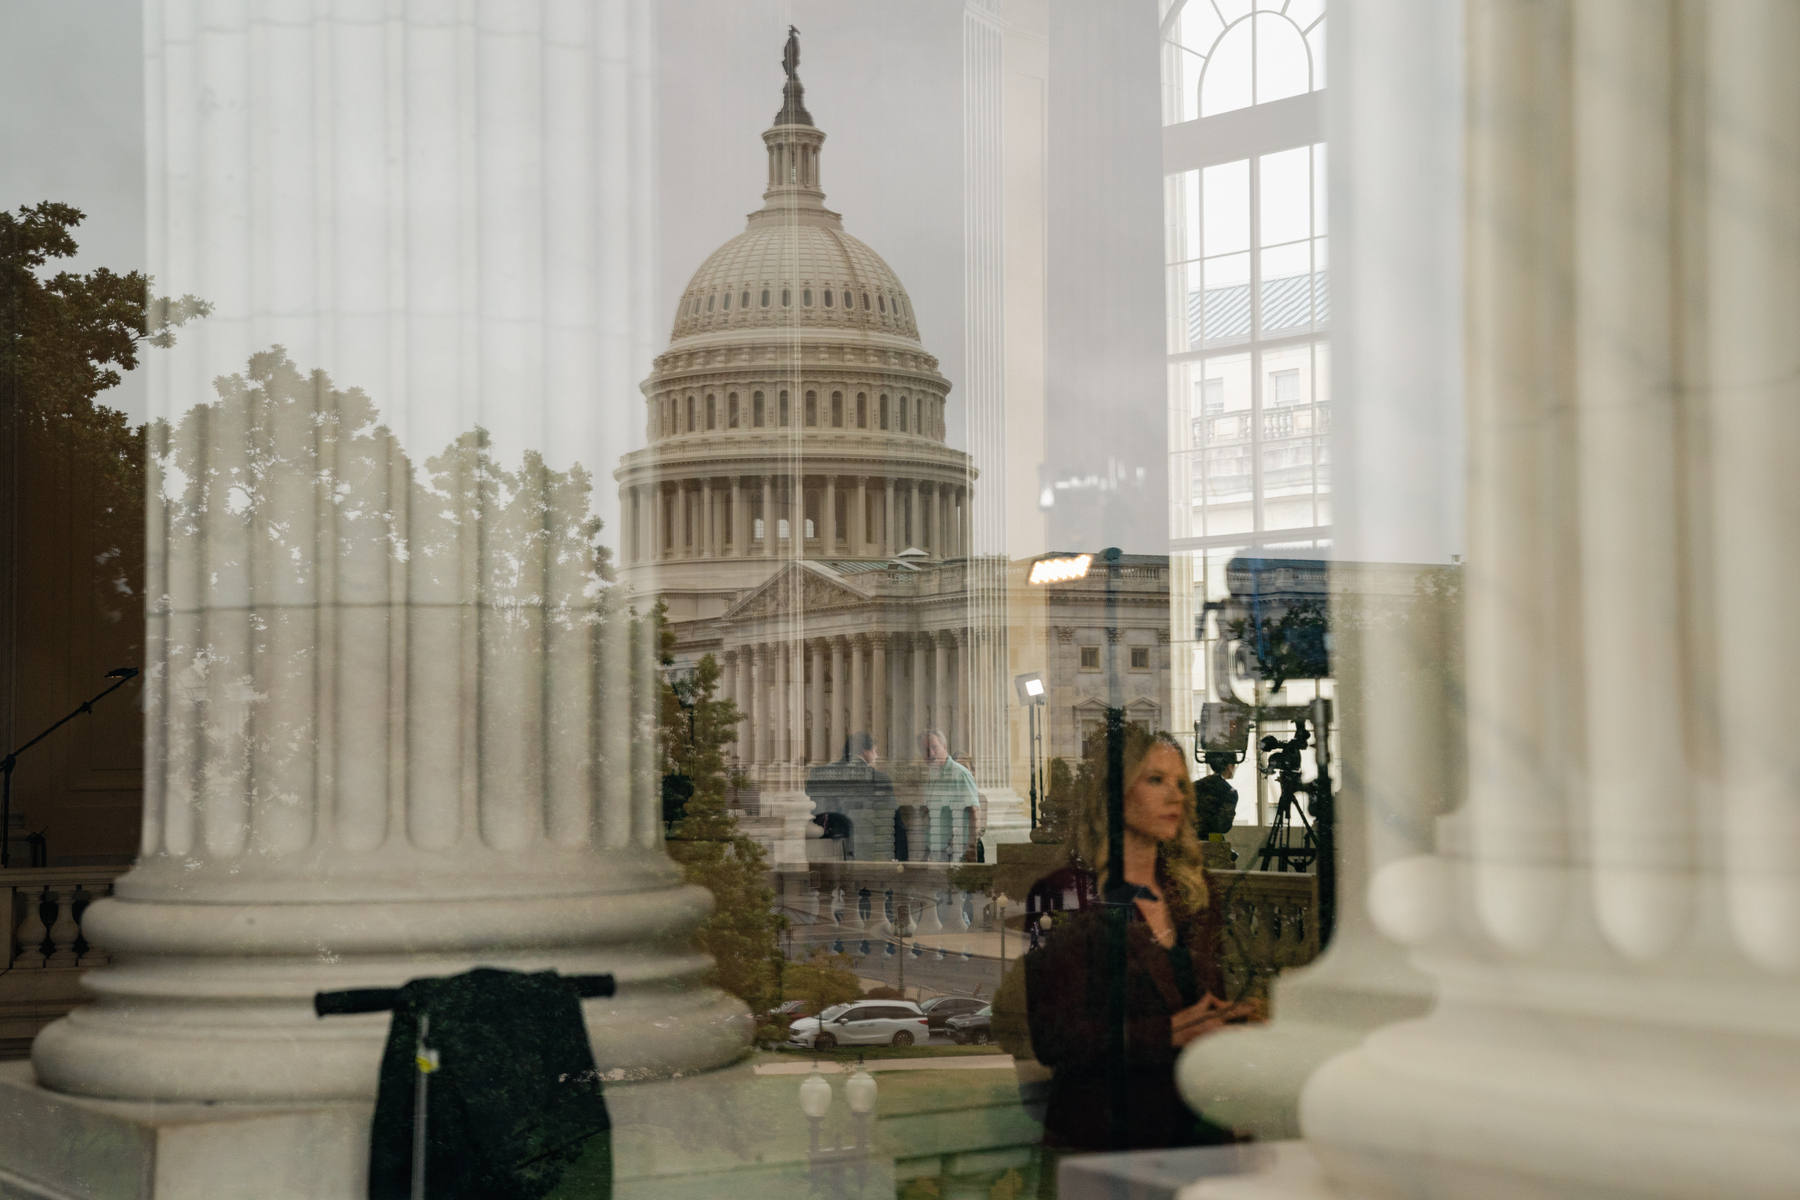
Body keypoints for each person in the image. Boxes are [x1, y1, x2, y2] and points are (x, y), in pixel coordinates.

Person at [1023, 726, 1261, 1152]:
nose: (1176, 796)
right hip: (1104, 1142)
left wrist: (1234, 1021)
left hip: (1194, 1136)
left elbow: (1203, 1004)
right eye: (1156, 780)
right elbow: (1054, 1038)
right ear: (1115, 794)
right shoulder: (1066, 893)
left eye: (1181, 784)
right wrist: (1167, 1033)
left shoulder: (1194, 889)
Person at [918, 728, 981, 861]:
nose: (931, 754)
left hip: (956, 852)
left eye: (935, 747)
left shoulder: (960, 773)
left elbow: (974, 812)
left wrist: (971, 850)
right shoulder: (931, 776)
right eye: (926, 750)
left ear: (944, 746)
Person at [1195, 752, 1240, 838]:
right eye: (1234, 765)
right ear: (1229, 766)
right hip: (1213, 840)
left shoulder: (1194, 786)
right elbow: (1223, 827)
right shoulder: (1229, 792)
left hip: (1190, 839)